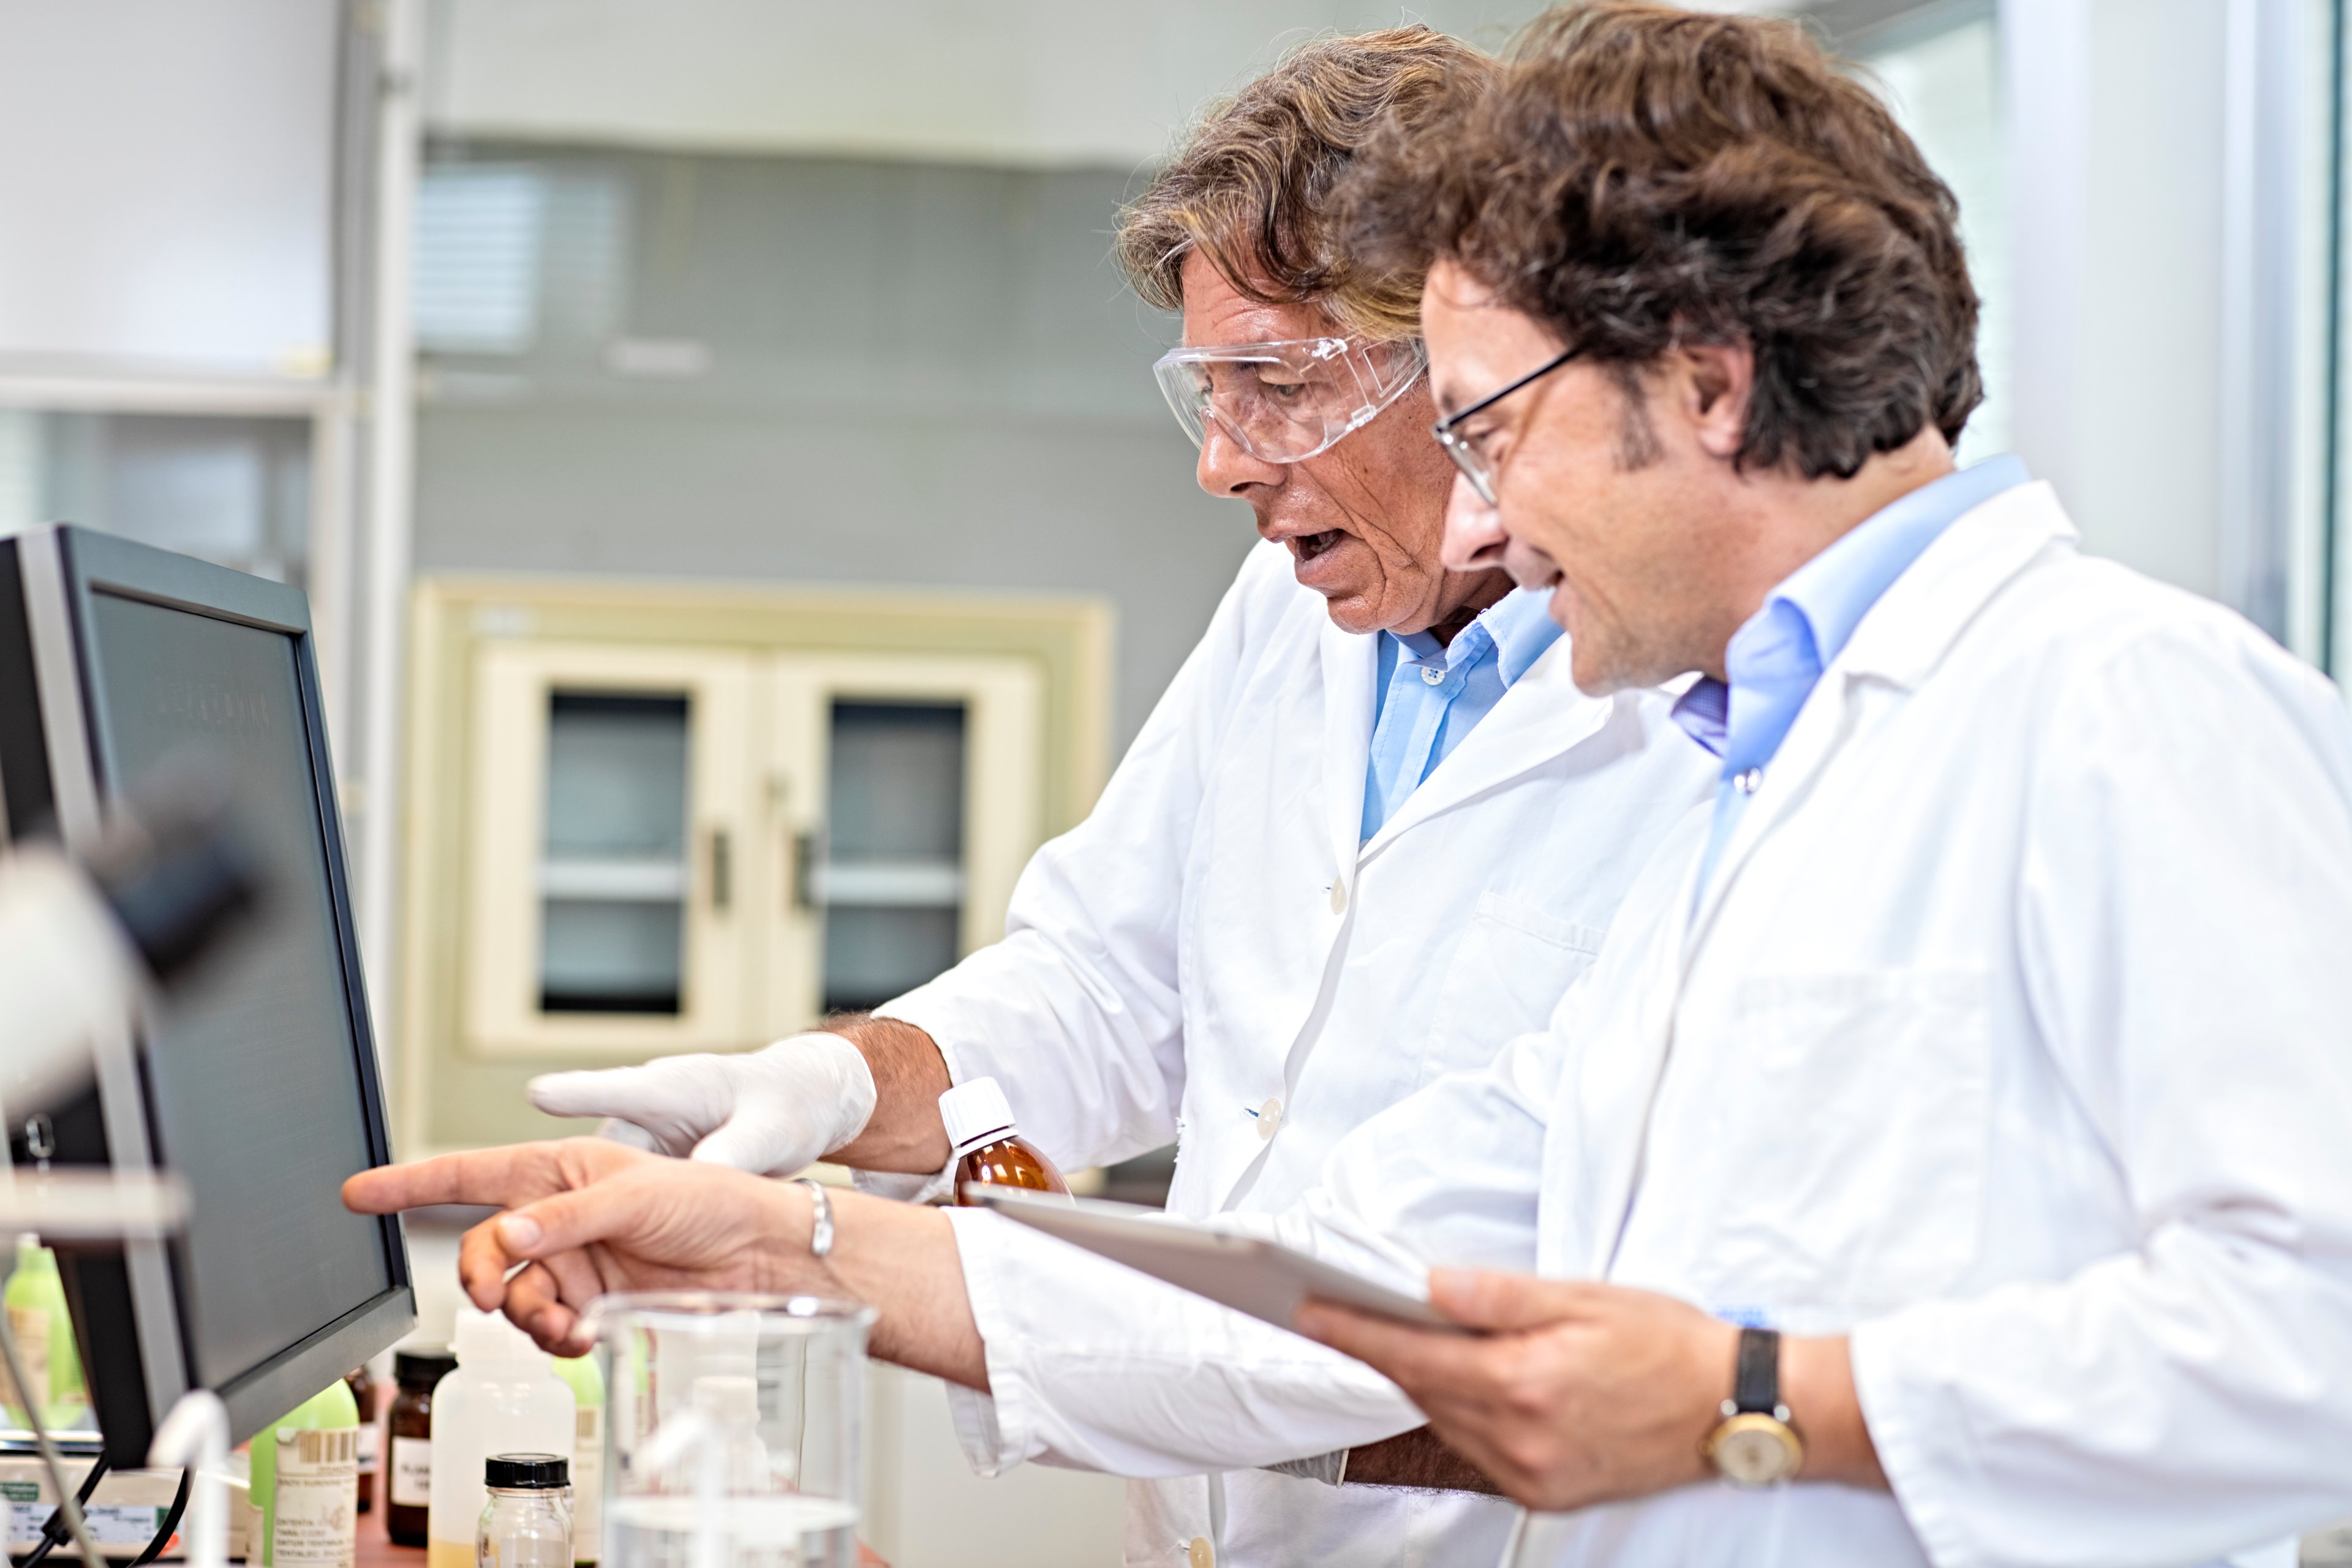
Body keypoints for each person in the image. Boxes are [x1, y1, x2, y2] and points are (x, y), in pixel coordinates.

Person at [350, 4, 2352, 1562]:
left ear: (1711, 384)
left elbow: (2318, 1335)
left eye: (1497, 422)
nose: (1488, 501)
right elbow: (1360, 1292)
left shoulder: (2117, 705)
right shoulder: (1761, 754)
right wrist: (783, 1228)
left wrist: (1767, 1398)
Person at [506, 26, 1713, 1567]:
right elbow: (1106, 975)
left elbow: (1428, 1302)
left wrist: (805, 1252)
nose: (1221, 463)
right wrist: (827, 1082)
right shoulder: (1294, 611)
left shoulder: (1687, 724)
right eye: (1209, 391)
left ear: (1477, 362)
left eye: (1276, 385)